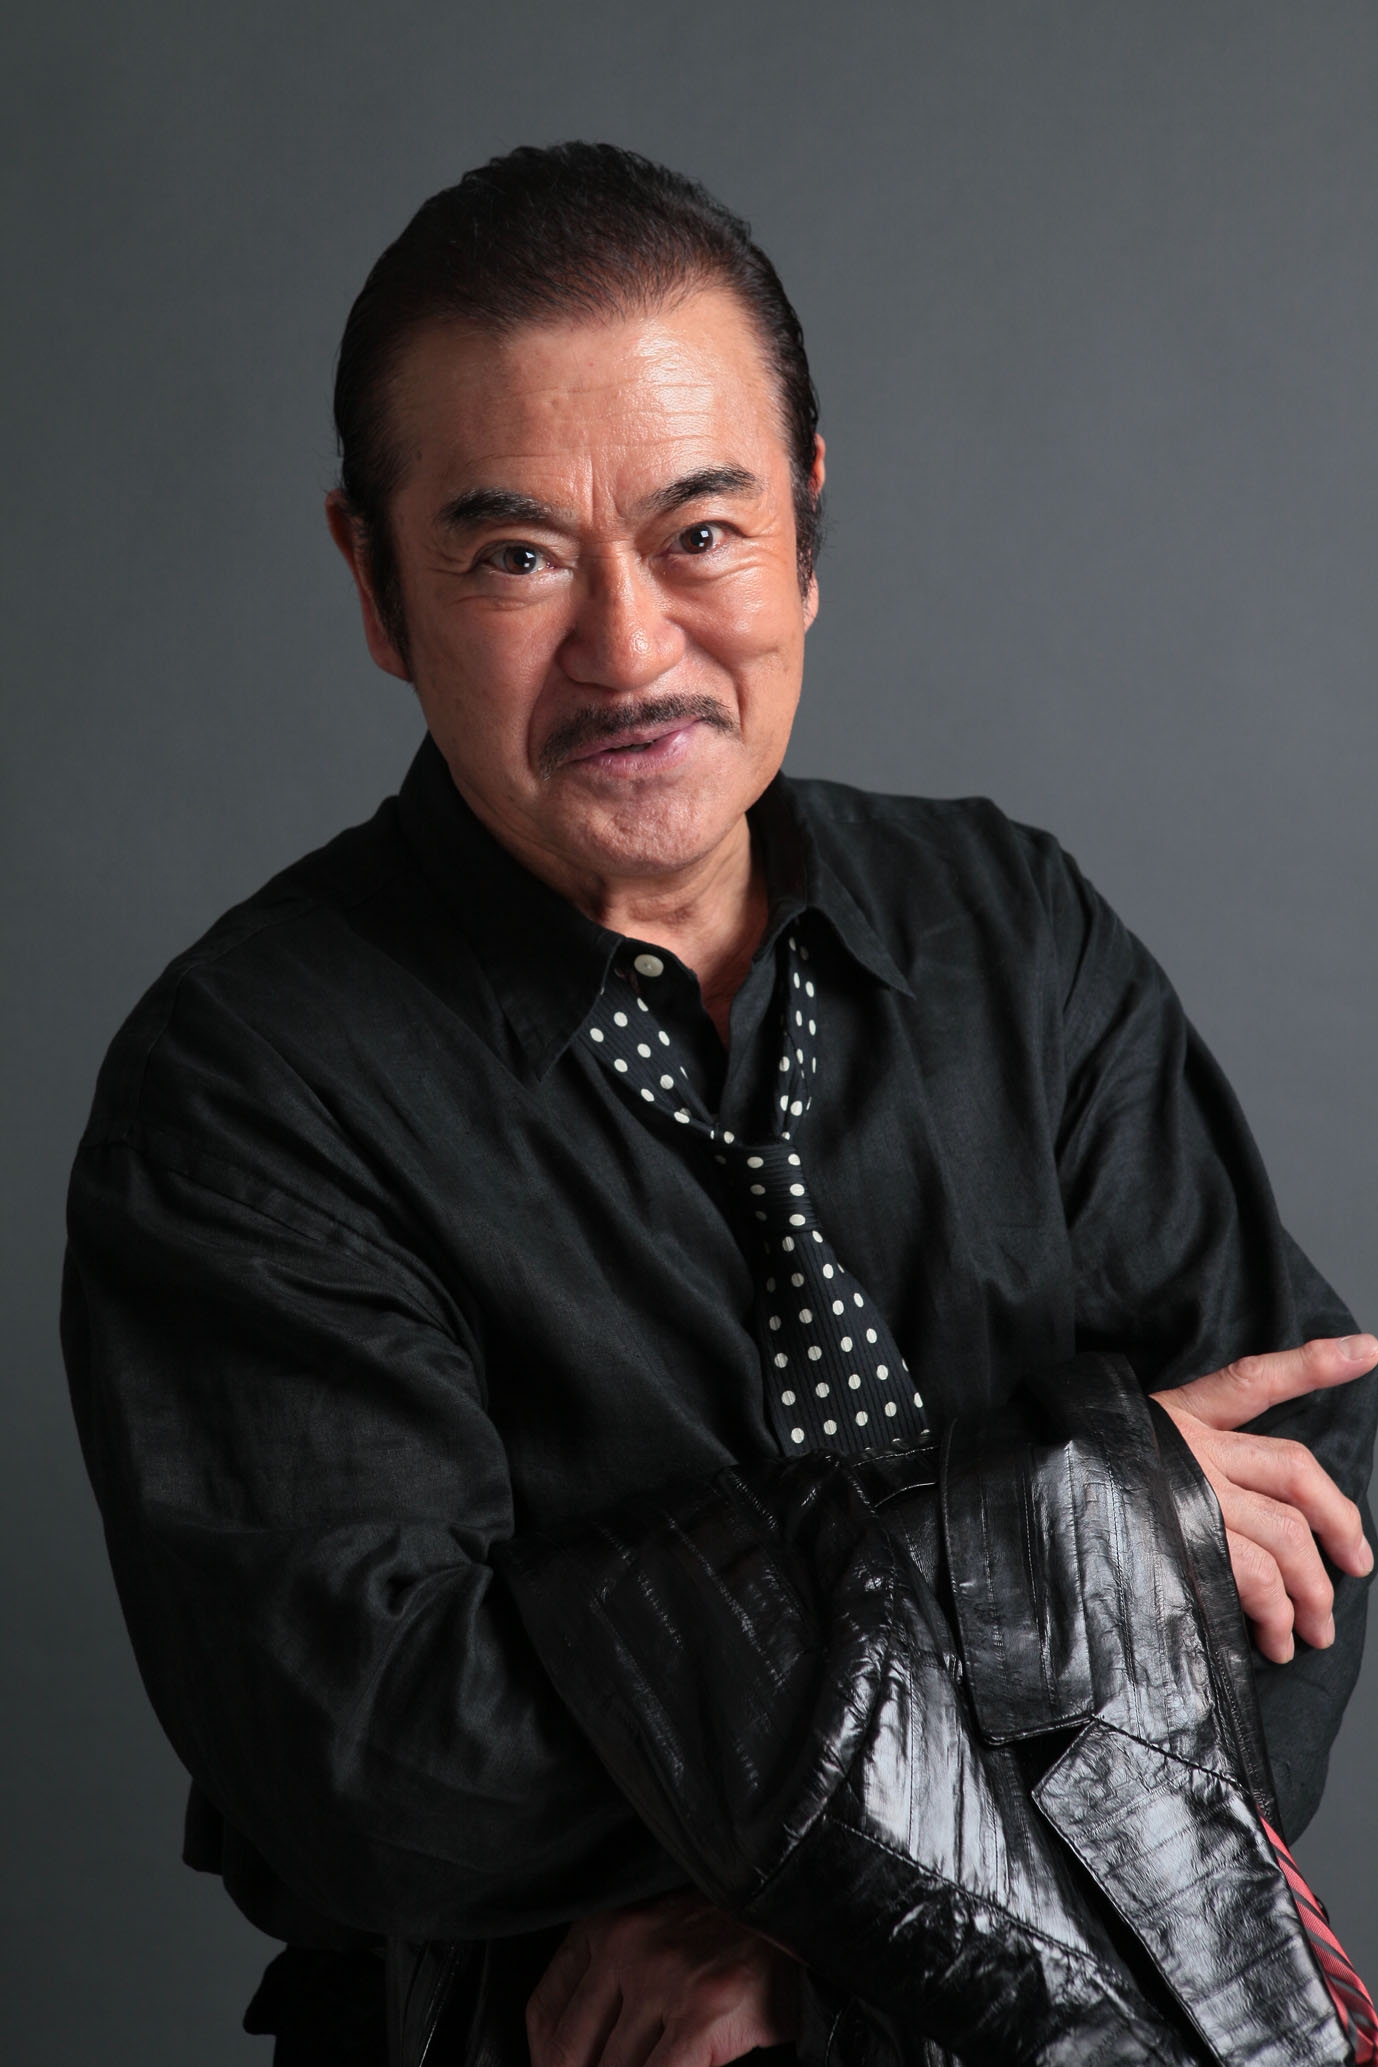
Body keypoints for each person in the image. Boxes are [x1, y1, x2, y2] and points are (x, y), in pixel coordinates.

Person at [62, 142, 1377, 2066]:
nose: (628, 651)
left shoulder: (1012, 928)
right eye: (517, 556)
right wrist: (1063, 1539)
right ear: (374, 579)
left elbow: (1295, 1537)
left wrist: (840, 1927)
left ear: (805, 530)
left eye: (700, 531)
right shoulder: (247, 1087)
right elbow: (385, 1763)